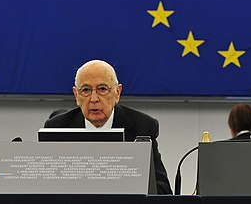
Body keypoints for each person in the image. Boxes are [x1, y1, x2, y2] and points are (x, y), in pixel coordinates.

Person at [43, 60, 172, 194]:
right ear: (76, 95)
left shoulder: (142, 127)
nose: (94, 99)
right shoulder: (57, 128)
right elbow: (44, 186)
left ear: (117, 93)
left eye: (102, 89)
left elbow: (162, 190)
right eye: (86, 90)